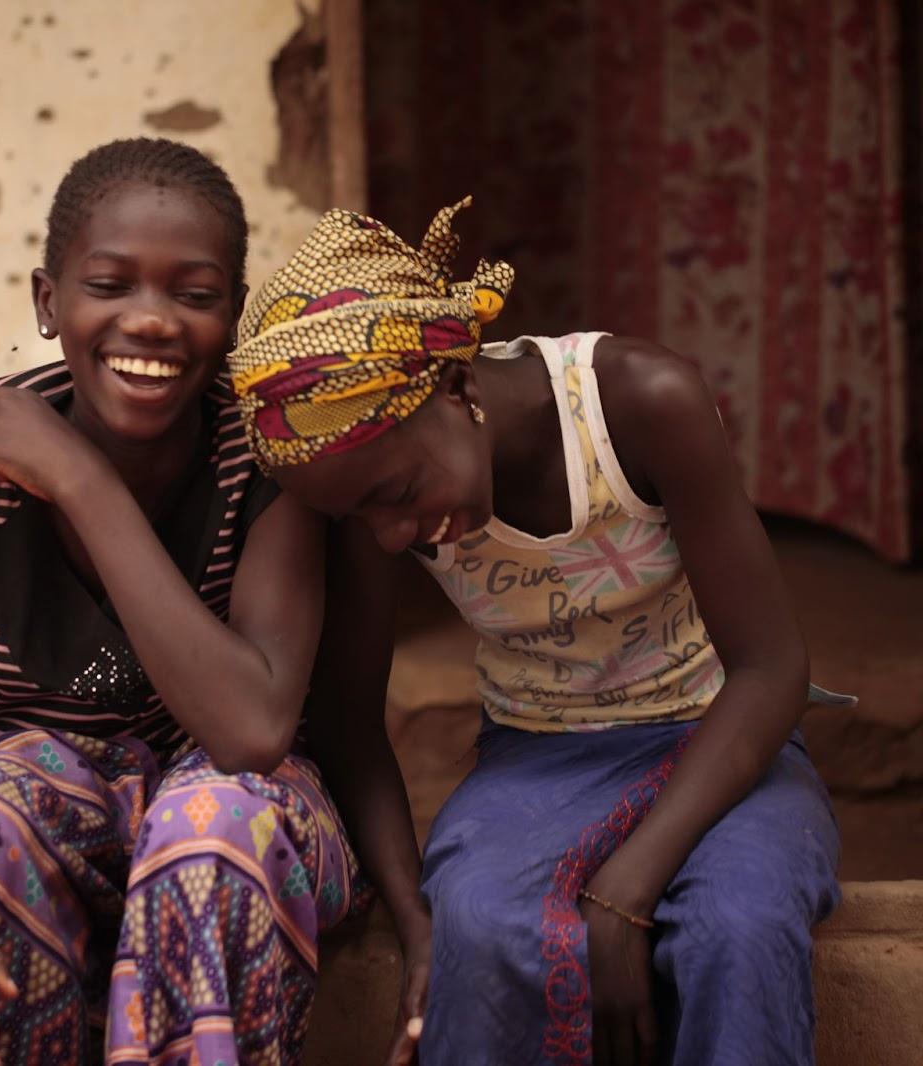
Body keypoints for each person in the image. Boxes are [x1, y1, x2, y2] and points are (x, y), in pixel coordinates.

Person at [229, 202, 842, 1066]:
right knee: (480, 924)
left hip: (725, 740)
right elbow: (352, 722)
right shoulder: (372, 498)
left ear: (457, 387)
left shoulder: (638, 404)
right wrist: (416, 921)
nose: (392, 537)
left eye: (397, 495)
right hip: (537, 753)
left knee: (737, 928)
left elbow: (773, 668)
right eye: (359, 516)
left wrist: (624, 894)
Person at [0, 137, 365, 1066]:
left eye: (194, 294)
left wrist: (80, 482)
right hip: (67, 802)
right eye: (112, 285)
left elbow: (253, 731)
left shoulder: (266, 457)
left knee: (209, 827)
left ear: (232, 317)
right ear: (48, 302)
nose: (151, 320)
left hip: (253, 813)